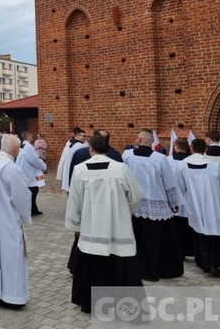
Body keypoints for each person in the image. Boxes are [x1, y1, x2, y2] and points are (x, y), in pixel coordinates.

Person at [65, 134, 144, 313]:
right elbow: (136, 195)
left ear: (90, 149)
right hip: (118, 225)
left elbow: (74, 201)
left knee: (91, 262)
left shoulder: (79, 170)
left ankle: (89, 302)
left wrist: (76, 226)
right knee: (119, 261)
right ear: (107, 148)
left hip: (91, 226)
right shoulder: (121, 169)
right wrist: (125, 211)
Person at [0, 134, 32, 309]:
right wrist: (26, 216)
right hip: (8, 219)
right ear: (16, 150)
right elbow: (21, 197)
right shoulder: (12, 169)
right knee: (12, 258)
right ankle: (12, 297)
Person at [123, 129, 183, 281]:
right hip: (157, 204)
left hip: (133, 205)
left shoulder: (127, 155)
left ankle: (136, 270)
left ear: (138, 139)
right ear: (152, 142)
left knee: (137, 240)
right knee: (156, 242)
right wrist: (174, 203)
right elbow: (169, 182)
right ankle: (156, 270)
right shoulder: (160, 158)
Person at [177, 138, 220, 276]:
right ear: (205, 149)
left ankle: (204, 263)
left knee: (199, 233)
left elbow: (179, 186)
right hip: (214, 203)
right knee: (215, 232)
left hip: (194, 203)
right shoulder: (214, 166)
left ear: (191, 147)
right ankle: (216, 262)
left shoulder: (183, 165)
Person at [17, 131, 47, 216]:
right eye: (31, 135)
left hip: (26, 171)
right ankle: (30, 210)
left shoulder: (22, 146)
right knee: (33, 191)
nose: (32, 136)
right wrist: (43, 165)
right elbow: (34, 159)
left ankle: (34, 209)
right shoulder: (29, 147)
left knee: (33, 190)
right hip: (31, 173)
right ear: (28, 136)